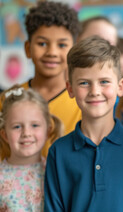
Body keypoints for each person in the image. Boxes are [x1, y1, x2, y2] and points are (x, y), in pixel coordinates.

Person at [42, 36, 123, 212]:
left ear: (120, 86)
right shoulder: (58, 152)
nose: (95, 92)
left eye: (104, 82)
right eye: (84, 83)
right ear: (70, 89)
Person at [0, 86, 62, 212]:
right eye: (17, 127)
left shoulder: (54, 172)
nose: (26, 133)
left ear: (48, 130)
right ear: (5, 134)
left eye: (34, 125)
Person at [22, 1, 81, 156]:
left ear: (73, 50)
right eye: (42, 43)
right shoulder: (8, 99)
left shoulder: (83, 101)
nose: (52, 52)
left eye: (62, 45)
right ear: (28, 49)